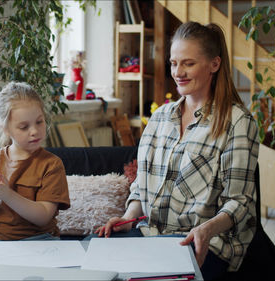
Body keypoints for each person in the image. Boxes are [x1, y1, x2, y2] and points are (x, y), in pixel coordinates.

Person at [95, 22, 259, 280]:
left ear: (214, 65)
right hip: (151, 235)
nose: (178, 72)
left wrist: (206, 230)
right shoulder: (160, 117)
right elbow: (142, 186)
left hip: (203, 242)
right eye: (173, 63)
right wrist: (127, 218)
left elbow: (239, 202)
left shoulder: (237, 121)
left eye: (188, 63)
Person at [0, 81, 70, 276]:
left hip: (40, 242)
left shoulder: (52, 164)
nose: (35, 131)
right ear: (6, 129)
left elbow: (44, 215)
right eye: (24, 127)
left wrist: (6, 194)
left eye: (39, 122)